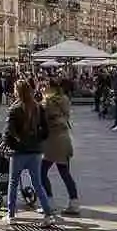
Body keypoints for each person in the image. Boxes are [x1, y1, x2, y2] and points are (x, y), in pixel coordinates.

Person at [3, 78, 58, 228]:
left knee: (13, 183)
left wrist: (13, 144)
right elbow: (46, 131)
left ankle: (11, 214)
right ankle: (48, 214)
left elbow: (8, 132)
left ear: (18, 92)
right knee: (38, 183)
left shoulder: (15, 109)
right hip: (35, 151)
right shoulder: (38, 107)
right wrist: (37, 140)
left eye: (15, 89)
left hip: (19, 152)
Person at [41, 79, 80, 216]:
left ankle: (49, 202)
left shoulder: (47, 103)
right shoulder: (64, 100)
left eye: (45, 87)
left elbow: (42, 120)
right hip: (64, 140)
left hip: (51, 142)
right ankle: (74, 203)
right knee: (65, 173)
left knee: (41, 173)